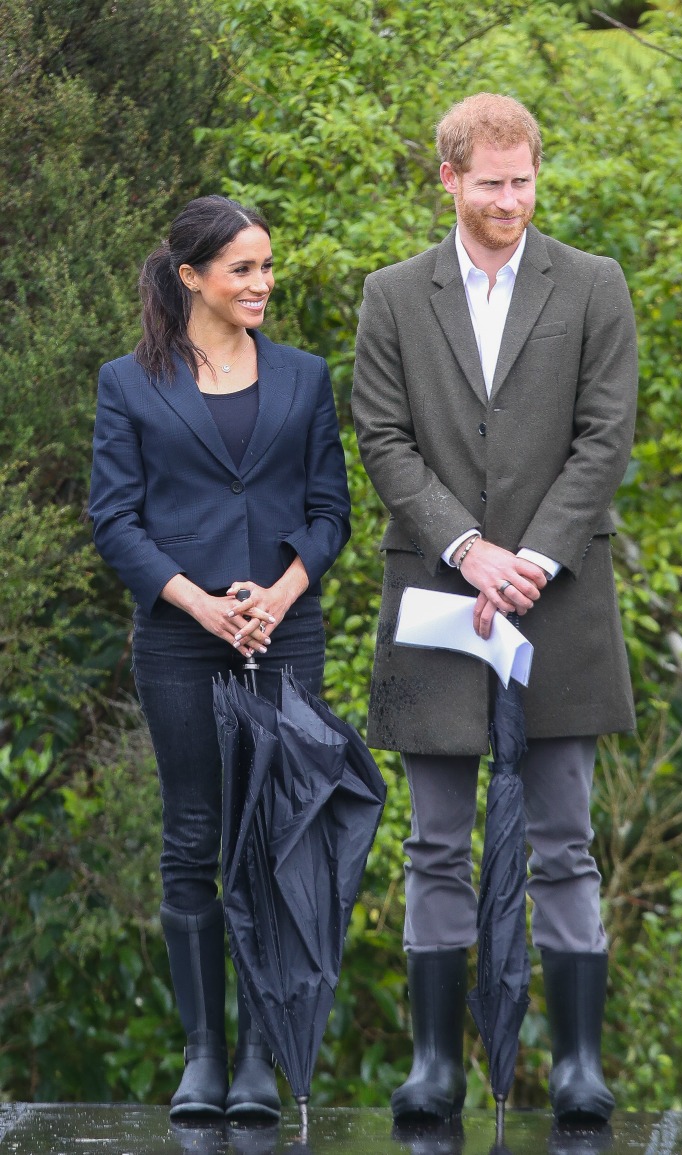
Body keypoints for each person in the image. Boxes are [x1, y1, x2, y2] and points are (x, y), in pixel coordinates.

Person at [351, 93, 637, 1126]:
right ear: (448, 181)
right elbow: (381, 438)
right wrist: (468, 551)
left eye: (522, 181)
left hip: (558, 603)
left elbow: (603, 439)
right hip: (436, 593)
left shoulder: (594, 286)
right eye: (489, 184)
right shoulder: (390, 295)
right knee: (434, 840)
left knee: (562, 839)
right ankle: (433, 1067)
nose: (510, 201)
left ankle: (576, 1068)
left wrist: (533, 558)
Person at [89, 195, 351, 1121]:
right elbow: (112, 518)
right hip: (176, 641)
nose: (263, 284)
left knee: (274, 846)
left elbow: (330, 513)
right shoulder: (128, 382)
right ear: (191, 276)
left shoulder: (305, 377)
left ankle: (256, 1062)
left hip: (286, 639)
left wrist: (277, 597)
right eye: (244, 269)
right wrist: (202, 602)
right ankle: (202, 1055)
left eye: (268, 267)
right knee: (195, 839)